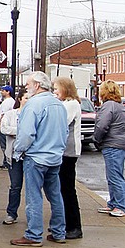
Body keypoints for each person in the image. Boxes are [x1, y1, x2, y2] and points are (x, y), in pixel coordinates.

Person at [11, 71, 68, 246]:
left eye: (28, 84)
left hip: (36, 157)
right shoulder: (58, 105)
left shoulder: (34, 104)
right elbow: (65, 132)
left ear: (37, 85)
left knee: (33, 196)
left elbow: (27, 133)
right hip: (55, 157)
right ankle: (59, 232)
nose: (26, 87)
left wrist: (17, 152)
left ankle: (34, 235)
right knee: (55, 196)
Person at [93, 80, 125, 218]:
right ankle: (114, 203)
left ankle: (121, 206)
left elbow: (102, 125)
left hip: (113, 145)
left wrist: (96, 139)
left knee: (115, 176)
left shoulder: (108, 106)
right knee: (113, 175)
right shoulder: (119, 106)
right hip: (120, 144)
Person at [53, 77, 84, 239]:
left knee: (67, 189)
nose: (54, 91)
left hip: (68, 152)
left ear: (66, 88)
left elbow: (60, 122)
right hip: (64, 151)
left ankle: (74, 226)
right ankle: (64, 224)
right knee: (62, 189)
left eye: (57, 88)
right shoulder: (66, 104)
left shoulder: (71, 104)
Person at [1, 94, 25, 225]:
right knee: (15, 186)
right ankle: (11, 213)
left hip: (31, 156)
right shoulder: (10, 114)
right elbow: (4, 128)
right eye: (26, 98)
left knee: (34, 188)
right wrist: (22, 131)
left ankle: (33, 216)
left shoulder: (34, 114)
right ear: (20, 99)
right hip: (14, 155)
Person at [0, 85, 15, 170]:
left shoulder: (8, 102)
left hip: (3, 126)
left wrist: (1, 125)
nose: (1, 92)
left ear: (8, 92)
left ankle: (7, 162)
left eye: (3, 90)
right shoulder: (7, 101)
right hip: (2, 126)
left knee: (5, 145)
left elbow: (4, 114)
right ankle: (5, 162)